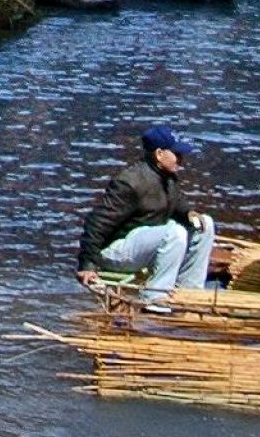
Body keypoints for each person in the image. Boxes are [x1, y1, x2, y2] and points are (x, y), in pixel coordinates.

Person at [77, 125, 217, 310]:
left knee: (205, 224)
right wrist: (87, 264)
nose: (182, 160)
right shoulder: (129, 182)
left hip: (145, 243)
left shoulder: (168, 177)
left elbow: (176, 201)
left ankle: (189, 295)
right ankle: (155, 301)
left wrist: (188, 213)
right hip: (116, 250)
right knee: (174, 233)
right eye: (177, 154)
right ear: (159, 154)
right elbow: (96, 223)